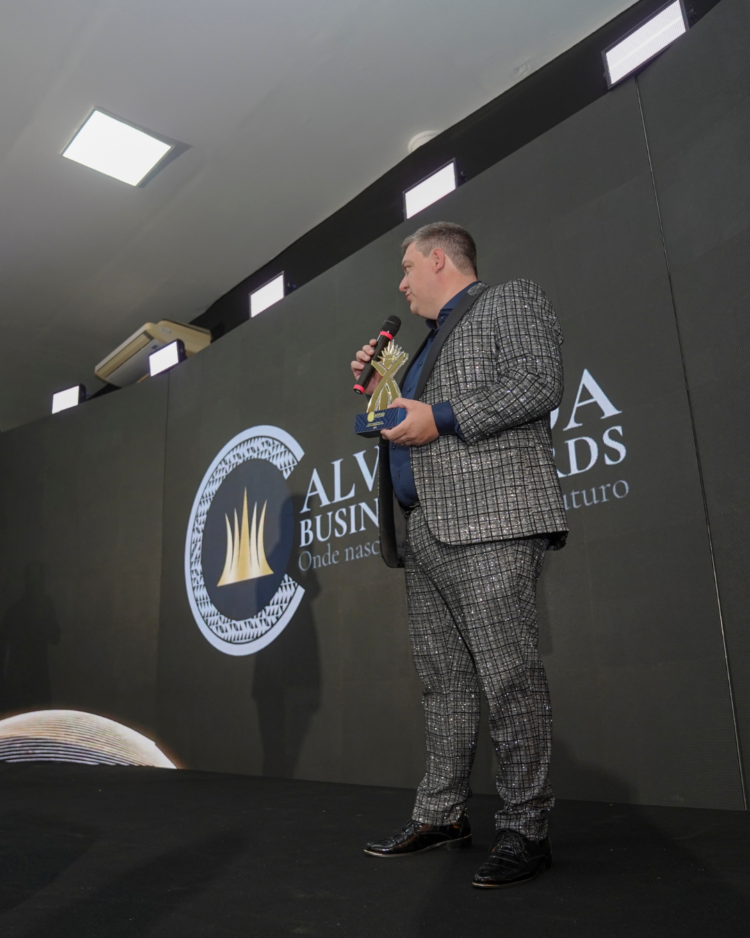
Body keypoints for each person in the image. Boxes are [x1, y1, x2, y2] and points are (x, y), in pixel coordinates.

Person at [350, 221, 568, 888]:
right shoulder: (416, 347)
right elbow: (388, 424)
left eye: (407, 268)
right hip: (423, 531)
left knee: (509, 678)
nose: (401, 283)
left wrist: (440, 415)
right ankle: (441, 816)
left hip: (492, 518)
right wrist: (377, 385)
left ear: (439, 258)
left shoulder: (510, 299)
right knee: (443, 684)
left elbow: (538, 383)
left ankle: (525, 829)